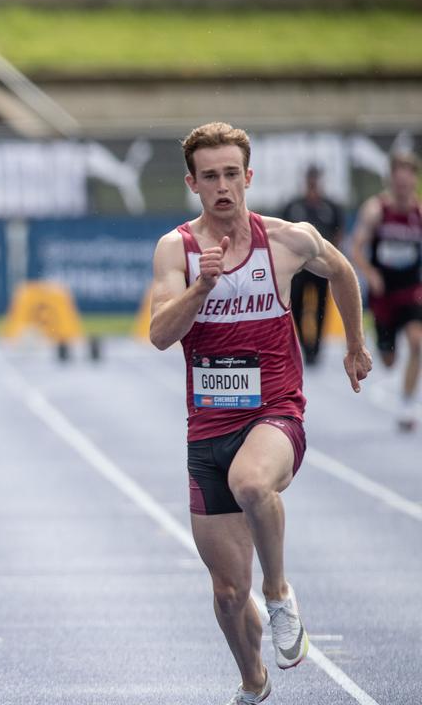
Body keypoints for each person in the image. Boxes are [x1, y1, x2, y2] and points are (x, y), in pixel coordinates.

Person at [149, 122, 371, 705]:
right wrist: (200, 290)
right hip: (208, 429)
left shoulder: (286, 239)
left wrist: (354, 344)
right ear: (193, 183)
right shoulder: (178, 249)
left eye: (231, 175)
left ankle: (278, 593)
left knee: (251, 482)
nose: (223, 187)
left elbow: (342, 271)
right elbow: (158, 335)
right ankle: (254, 681)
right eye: (210, 177)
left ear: (248, 178)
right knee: (225, 592)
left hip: (276, 412)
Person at [350, 151, 422, 431]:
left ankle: (406, 404)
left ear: (414, 180)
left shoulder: (418, 213)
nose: (403, 186)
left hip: (411, 288)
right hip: (384, 293)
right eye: (398, 180)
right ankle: (390, 353)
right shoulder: (376, 209)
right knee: (389, 360)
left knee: (417, 342)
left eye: (408, 180)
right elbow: (356, 247)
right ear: (391, 179)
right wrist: (370, 273)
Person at [280, 165, 344, 365]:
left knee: (320, 306)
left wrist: (334, 260)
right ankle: (304, 344)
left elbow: (338, 234)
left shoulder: (330, 207)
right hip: (299, 267)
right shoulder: (293, 206)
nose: (313, 184)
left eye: (316, 180)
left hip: (322, 265)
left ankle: (316, 346)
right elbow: (282, 233)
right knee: (297, 305)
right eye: (310, 180)